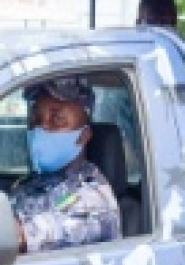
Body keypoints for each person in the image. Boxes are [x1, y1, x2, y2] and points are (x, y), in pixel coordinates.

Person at [10, 77, 122, 253]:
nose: (41, 127)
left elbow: (15, 237)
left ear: (84, 135)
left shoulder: (93, 199)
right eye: (36, 117)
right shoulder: (33, 182)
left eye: (57, 118)